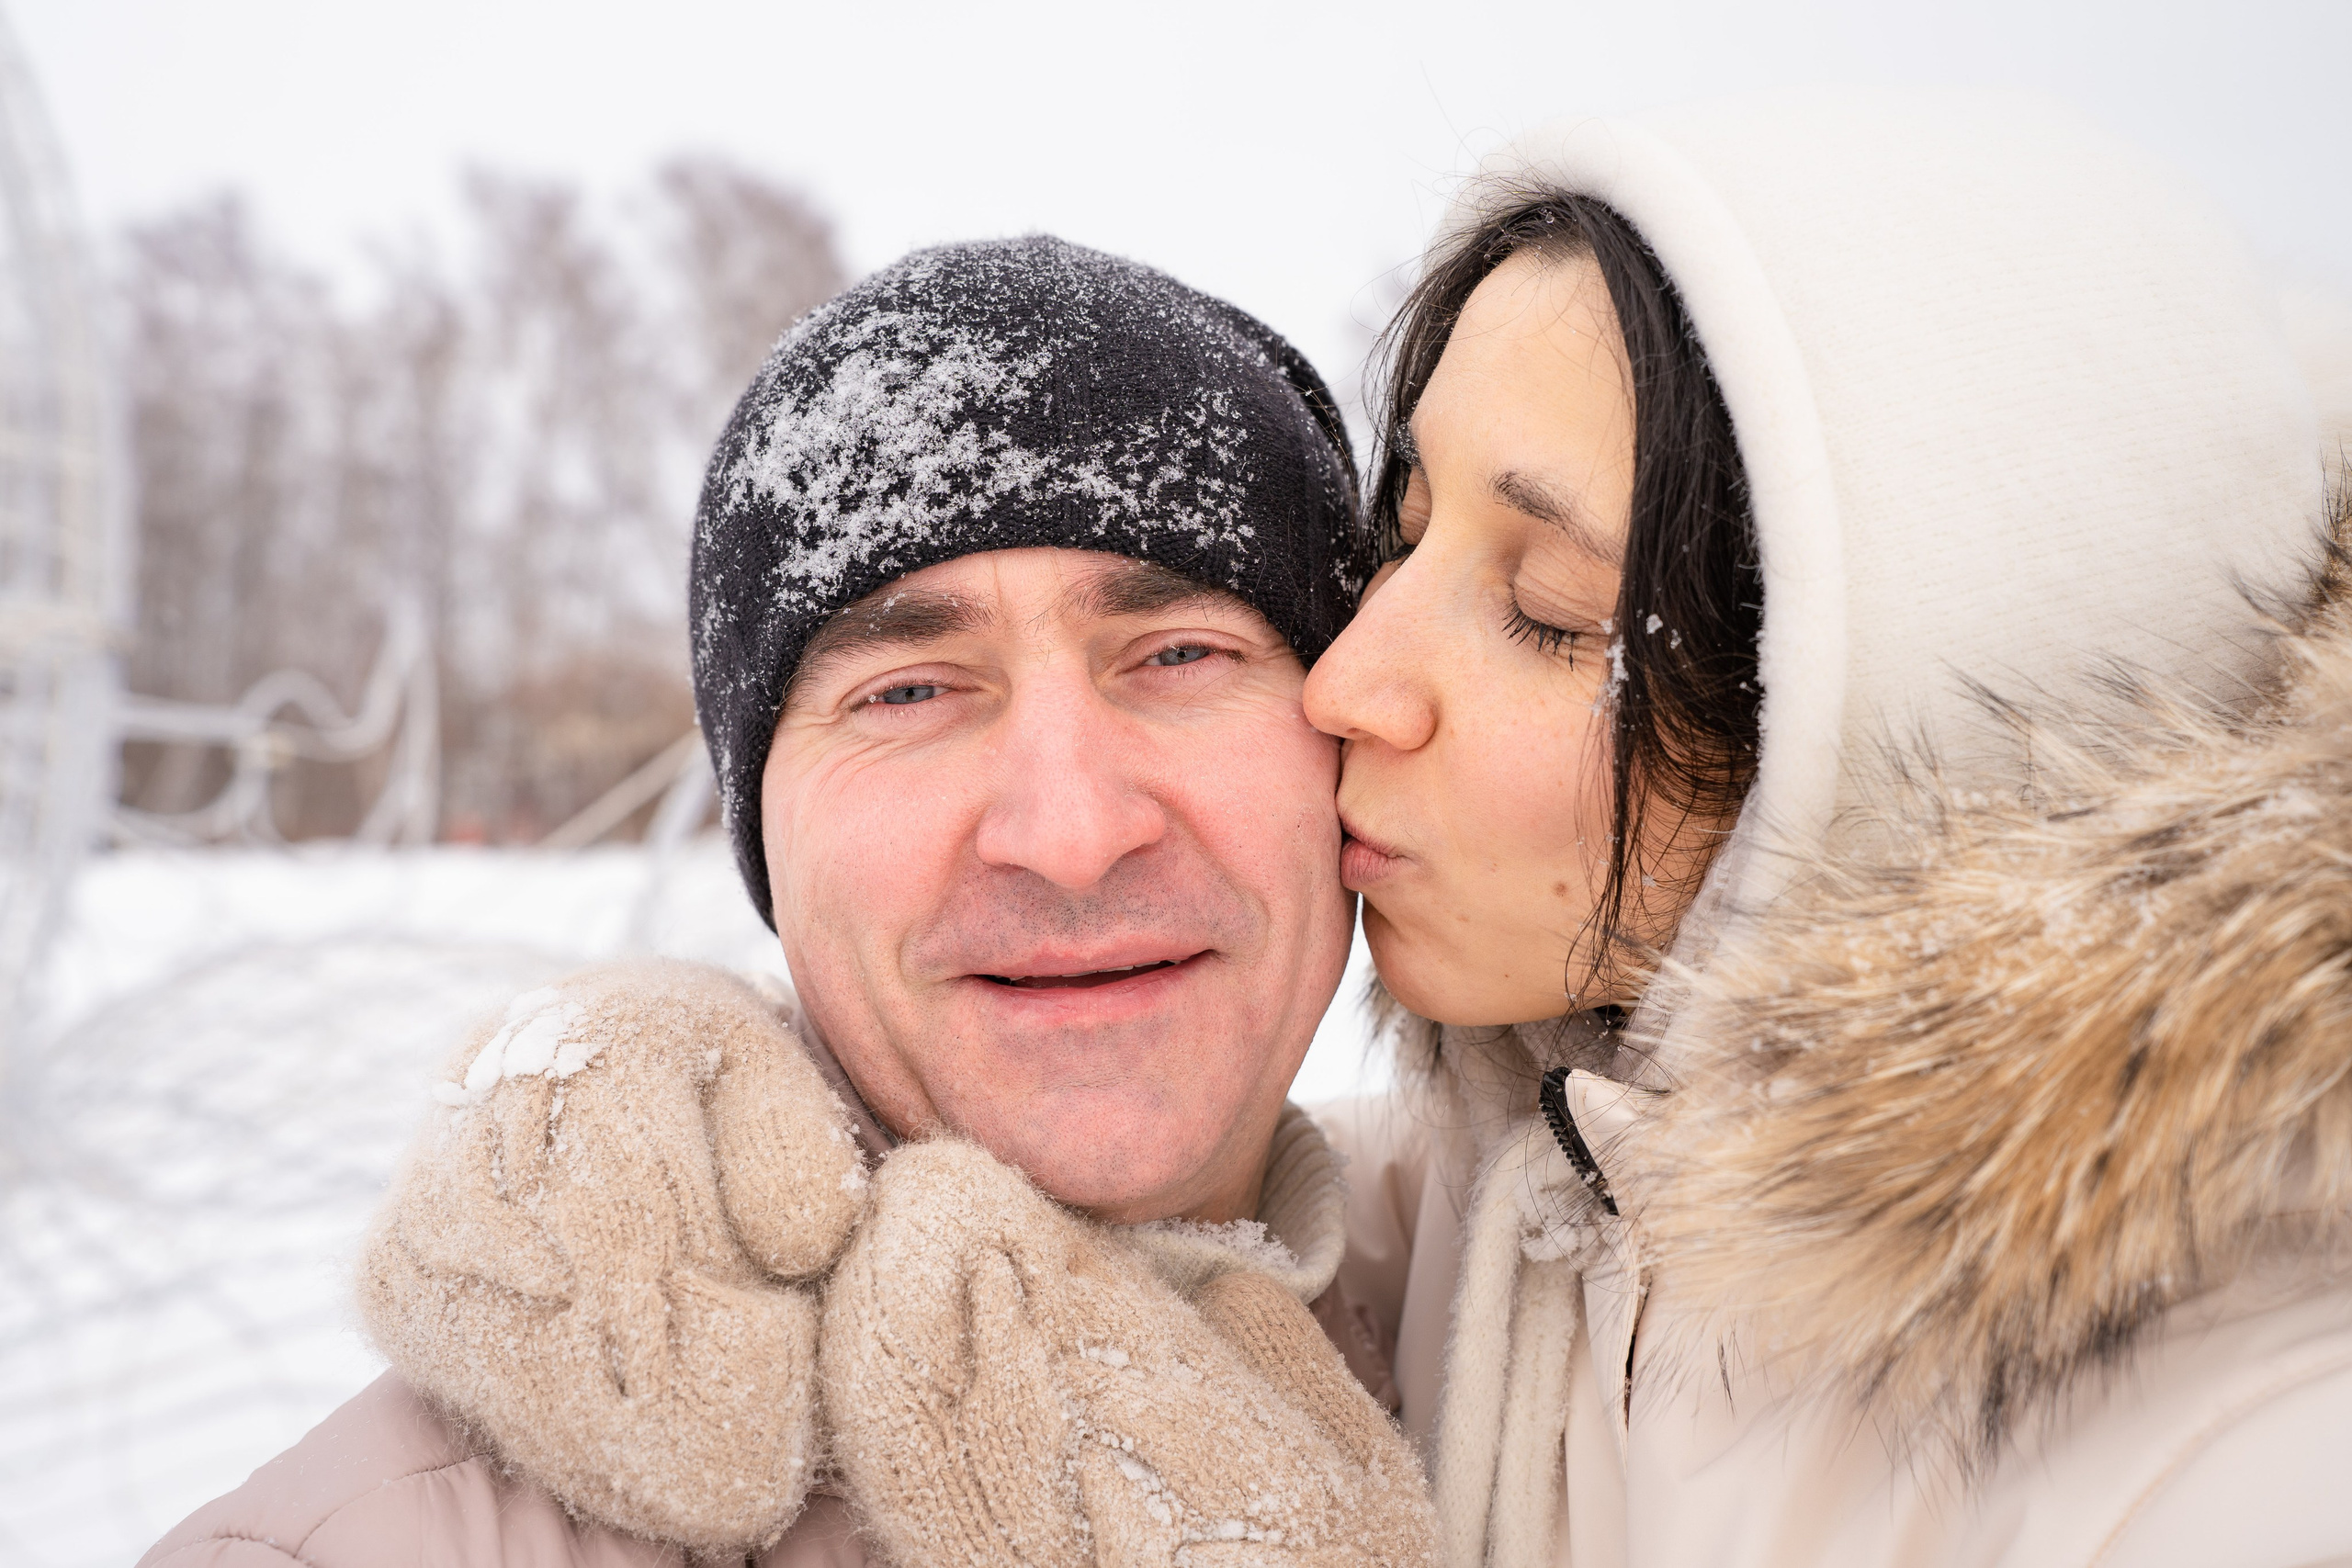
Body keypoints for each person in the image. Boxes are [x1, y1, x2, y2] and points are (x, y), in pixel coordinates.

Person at [138, 238, 1435, 1567]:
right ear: (766, 826)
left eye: (1179, 655)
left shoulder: (1512, 1322)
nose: (1071, 836)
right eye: (908, 691)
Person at [1301, 92, 2352, 1565]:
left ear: (1868, 721)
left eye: (1546, 612)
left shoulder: (2245, 1462)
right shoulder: (1485, 1198)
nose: (1346, 683)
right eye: (1405, 535)